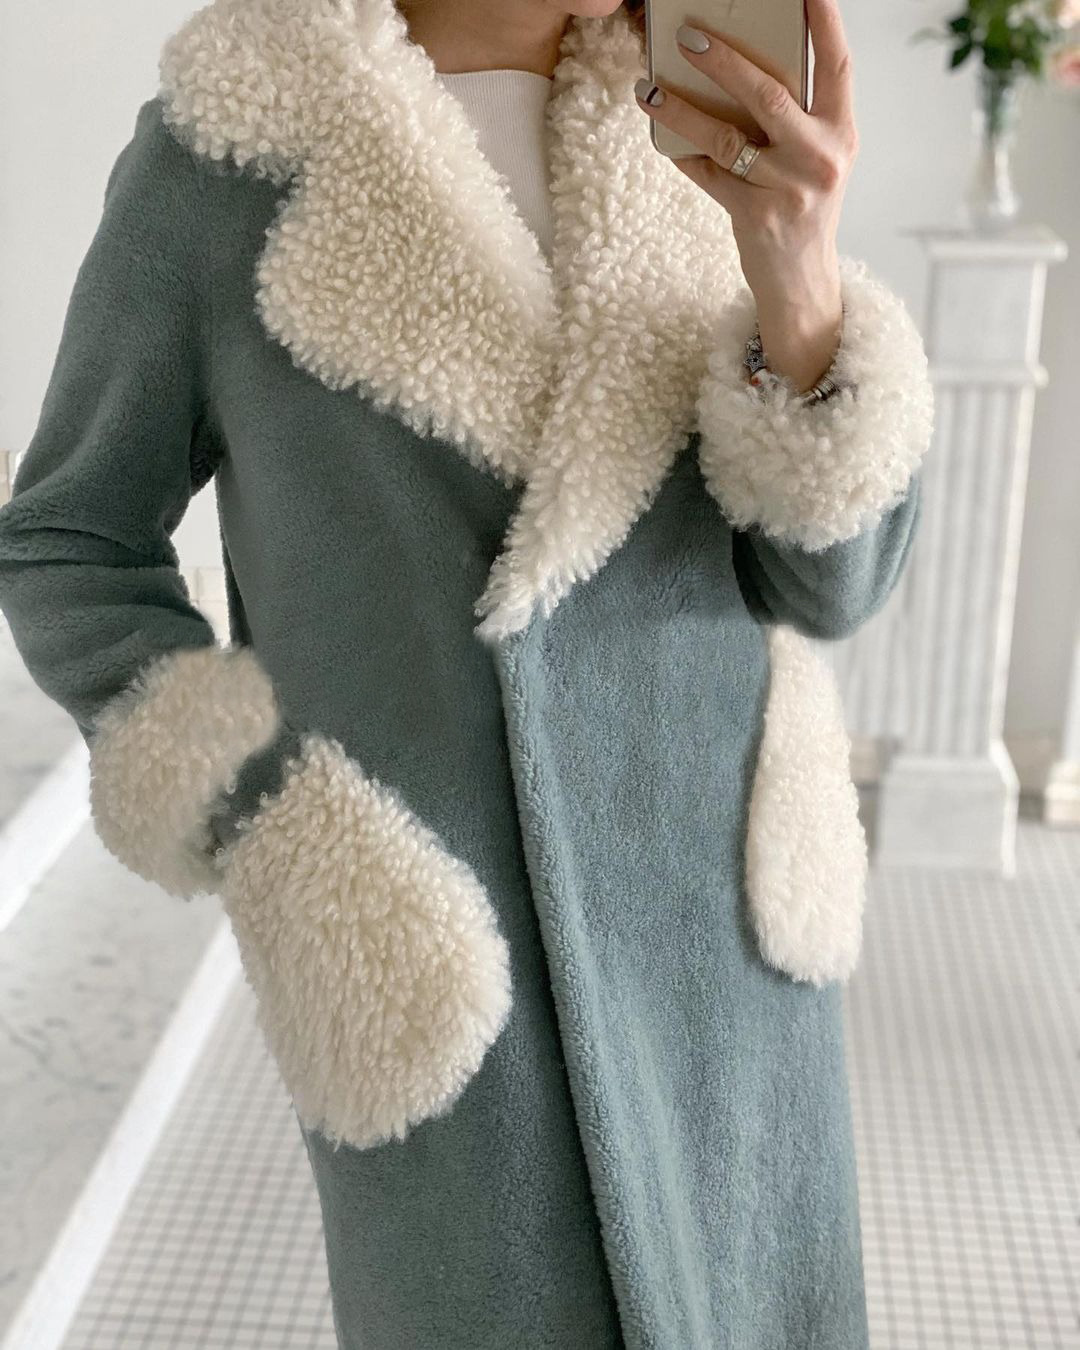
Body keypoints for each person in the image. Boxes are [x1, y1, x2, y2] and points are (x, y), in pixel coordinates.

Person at [0, 0, 935, 1344]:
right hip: (426, 958)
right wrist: (285, 835)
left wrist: (800, 278)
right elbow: (70, 541)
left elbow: (831, 588)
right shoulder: (230, 151)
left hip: (724, 946)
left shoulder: (697, 121)